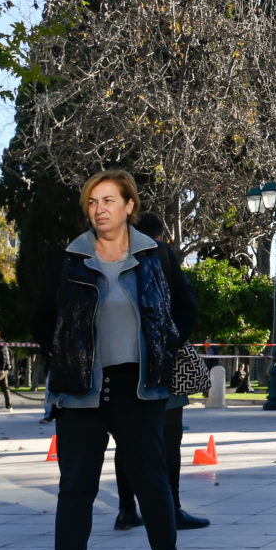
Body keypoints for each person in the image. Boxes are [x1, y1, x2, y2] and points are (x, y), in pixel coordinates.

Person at [28, 169, 191, 550]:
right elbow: (43, 318)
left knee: (152, 484)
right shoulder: (70, 259)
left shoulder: (154, 255)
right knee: (75, 490)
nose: (99, 208)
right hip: (80, 390)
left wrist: (164, 347)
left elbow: (185, 307)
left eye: (108, 200)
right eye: (92, 202)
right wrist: (70, 354)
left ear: (128, 205)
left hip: (139, 389)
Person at [116, 211, 209, 533]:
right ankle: (173, 508)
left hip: (122, 365)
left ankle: (127, 509)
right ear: (160, 234)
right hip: (160, 363)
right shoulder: (162, 254)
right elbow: (188, 304)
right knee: (170, 437)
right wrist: (170, 343)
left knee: (127, 441)